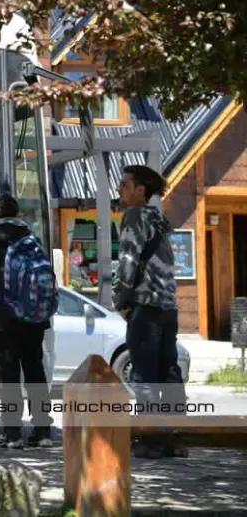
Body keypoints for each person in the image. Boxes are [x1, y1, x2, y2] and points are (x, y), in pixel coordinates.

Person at [0, 194, 55, 449]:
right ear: (16, 213)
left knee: (8, 374)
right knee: (35, 371)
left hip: (1, 317)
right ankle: (43, 430)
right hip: (33, 317)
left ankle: (12, 433)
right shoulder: (30, 237)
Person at [113, 165, 188, 459]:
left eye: (125, 185)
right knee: (169, 373)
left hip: (145, 305)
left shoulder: (134, 216)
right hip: (168, 307)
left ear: (140, 190)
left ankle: (149, 440)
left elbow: (128, 259)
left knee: (144, 374)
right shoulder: (160, 220)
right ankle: (174, 437)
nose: (120, 190)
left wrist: (121, 300)